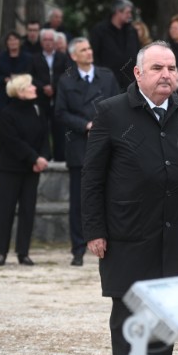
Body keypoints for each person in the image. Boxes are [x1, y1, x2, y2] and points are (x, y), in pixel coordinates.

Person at [82, 41, 178, 355]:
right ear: (139, 74)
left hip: (175, 237)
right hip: (128, 237)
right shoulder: (111, 112)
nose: (166, 75)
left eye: (171, 68)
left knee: (165, 323)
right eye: (157, 68)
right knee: (130, 321)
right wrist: (94, 230)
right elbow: (92, 177)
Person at [55, 37, 119, 266]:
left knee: (109, 195)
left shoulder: (107, 76)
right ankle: (78, 249)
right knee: (79, 200)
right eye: (83, 49)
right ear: (74, 56)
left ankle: (110, 242)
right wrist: (85, 125)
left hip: (106, 144)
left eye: (90, 48)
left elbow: (118, 104)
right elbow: (60, 112)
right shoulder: (66, 80)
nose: (89, 52)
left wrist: (101, 126)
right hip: (79, 147)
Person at [0, 74, 50, 266]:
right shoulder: (6, 113)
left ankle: (23, 252)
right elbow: (12, 141)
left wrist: (43, 158)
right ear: (20, 91)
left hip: (31, 170)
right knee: (6, 210)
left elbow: (44, 136)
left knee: (28, 210)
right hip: (11, 168)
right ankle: (2, 251)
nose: (35, 88)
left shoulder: (37, 109)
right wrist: (34, 157)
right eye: (30, 86)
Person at [30, 28, 71, 161]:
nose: (48, 42)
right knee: (42, 128)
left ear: (55, 41)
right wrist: (43, 87)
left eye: (50, 40)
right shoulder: (34, 58)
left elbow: (67, 73)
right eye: (45, 40)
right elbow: (31, 76)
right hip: (41, 98)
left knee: (59, 129)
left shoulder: (63, 57)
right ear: (41, 42)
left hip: (58, 97)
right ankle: (45, 155)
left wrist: (54, 86)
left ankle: (60, 156)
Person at [89, 0, 140, 90]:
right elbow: (94, 56)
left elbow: (138, 54)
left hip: (130, 83)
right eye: (127, 12)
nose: (130, 15)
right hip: (107, 84)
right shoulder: (99, 31)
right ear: (118, 12)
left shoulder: (132, 32)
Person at [0, 31, 33, 111]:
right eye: (10, 40)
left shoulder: (28, 58)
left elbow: (31, 74)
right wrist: (4, 79)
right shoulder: (0, 58)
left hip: (22, 94)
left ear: (19, 41)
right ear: (6, 43)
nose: (13, 42)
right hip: (4, 94)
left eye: (15, 39)